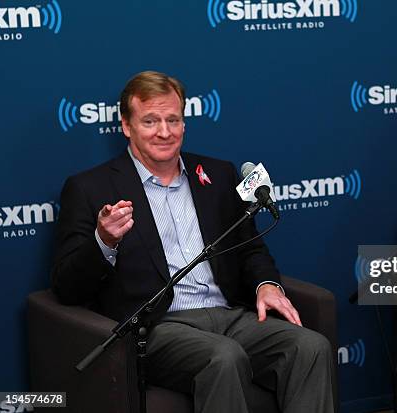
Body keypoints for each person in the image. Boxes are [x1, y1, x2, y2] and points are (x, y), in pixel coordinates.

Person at [51, 71, 335, 413]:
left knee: (310, 346)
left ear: (184, 122)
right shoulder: (89, 188)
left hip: (229, 315)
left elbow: (250, 247)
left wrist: (266, 284)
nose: (165, 132)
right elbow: (66, 287)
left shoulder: (218, 175)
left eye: (173, 119)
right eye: (151, 121)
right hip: (157, 328)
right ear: (127, 126)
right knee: (223, 357)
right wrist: (104, 240)